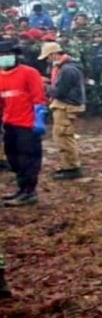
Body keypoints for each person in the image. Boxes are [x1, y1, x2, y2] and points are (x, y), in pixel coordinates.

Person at [0, 40, 47, 207]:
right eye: (1, 55)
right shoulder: (1, 76)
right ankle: (22, 189)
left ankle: (29, 192)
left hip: (27, 125)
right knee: (14, 159)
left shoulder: (29, 73)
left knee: (29, 160)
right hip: (10, 124)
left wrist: (39, 119)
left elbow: (38, 98)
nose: (3, 58)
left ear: (15, 56)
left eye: (7, 55)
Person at [38, 42, 86, 180]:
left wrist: (44, 85)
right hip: (66, 104)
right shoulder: (66, 67)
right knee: (63, 136)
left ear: (54, 54)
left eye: (47, 57)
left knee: (63, 136)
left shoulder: (66, 70)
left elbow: (59, 92)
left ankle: (71, 167)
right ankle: (68, 165)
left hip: (66, 105)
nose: (47, 60)